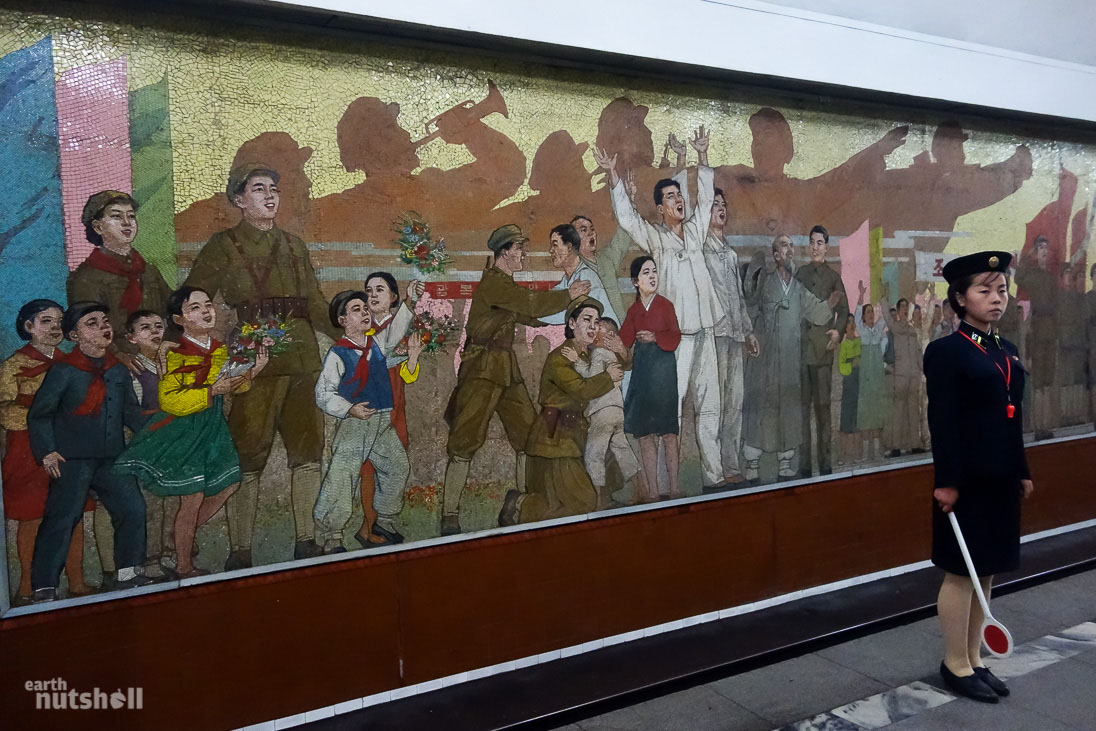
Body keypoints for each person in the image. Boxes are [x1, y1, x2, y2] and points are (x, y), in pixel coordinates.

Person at [185, 162, 339, 569]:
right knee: (248, 456)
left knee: (307, 452)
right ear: (239, 199)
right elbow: (192, 298)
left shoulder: (294, 246)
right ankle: (240, 549)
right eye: (258, 189)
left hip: (303, 359)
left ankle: (305, 540)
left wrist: (353, 337)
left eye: (274, 188)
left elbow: (317, 304)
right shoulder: (223, 246)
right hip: (252, 363)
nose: (269, 196)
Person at [926, 251, 1034, 703]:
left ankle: (975, 658)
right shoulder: (946, 352)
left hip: (1000, 478)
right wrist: (947, 481)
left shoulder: (1004, 351)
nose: (996, 299)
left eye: (1001, 290)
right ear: (959, 298)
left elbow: (1013, 418)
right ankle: (954, 663)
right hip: (965, 481)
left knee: (985, 567)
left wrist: (1022, 470)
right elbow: (943, 421)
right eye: (984, 290)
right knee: (960, 571)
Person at [596, 127, 730, 490]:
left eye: (678, 196)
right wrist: (612, 175)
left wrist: (702, 157)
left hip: (706, 330)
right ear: (661, 208)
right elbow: (627, 218)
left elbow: (702, 197)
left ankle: (714, 478)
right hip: (674, 340)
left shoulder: (697, 228)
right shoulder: (655, 236)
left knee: (710, 408)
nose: (678, 202)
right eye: (670, 198)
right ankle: (665, 487)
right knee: (671, 413)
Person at [440, 224, 587, 536]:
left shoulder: (505, 287)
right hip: (482, 369)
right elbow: (530, 305)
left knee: (526, 437)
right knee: (464, 442)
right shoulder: (495, 283)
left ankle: (522, 504)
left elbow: (531, 316)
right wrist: (568, 295)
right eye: (519, 248)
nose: (523, 254)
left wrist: (574, 309)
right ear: (504, 252)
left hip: (505, 368)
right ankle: (449, 516)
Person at [114, 287, 267, 577]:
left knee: (229, 483)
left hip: (212, 427)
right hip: (184, 427)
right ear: (180, 319)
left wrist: (255, 369)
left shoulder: (219, 348)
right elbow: (170, 399)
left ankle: (179, 537)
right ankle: (184, 565)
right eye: (194, 308)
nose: (206, 311)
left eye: (208, 305)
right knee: (193, 497)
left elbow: (234, 383)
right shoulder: (175, 353)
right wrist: (210, 391)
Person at [27, 302, 149, 601]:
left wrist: (158, 434)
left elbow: (131, 413)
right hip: (72, 459)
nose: (103, 327)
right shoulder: (64, 371)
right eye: (91, 323)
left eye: (105, 321)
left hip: (112, 456)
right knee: (63, 517)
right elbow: (40, 414)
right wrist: (47, 451)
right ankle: (44, 586)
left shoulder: (117, 371)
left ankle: (129, 572)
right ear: (74, 335)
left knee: (133, 509)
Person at [497, 297, 622, 525]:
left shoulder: (588, 355)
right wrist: (608, 377)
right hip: (555, 440)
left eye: (596, 321)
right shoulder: (560, 357)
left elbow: (623, 364)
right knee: (580, 505)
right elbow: (580, 390)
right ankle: (520, 502)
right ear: (572, 324)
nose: (593, 327)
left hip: (579, 434)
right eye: (586, 320)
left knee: (605, 489)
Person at [314, 291, 423, 552]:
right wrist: (350, 409)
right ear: (342, 320)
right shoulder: (339, 353)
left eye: (365, 308)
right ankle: (332, 536)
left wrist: (411, 350)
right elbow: (323, 393)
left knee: (397, 467)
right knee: (342, 476)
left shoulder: (376, 344)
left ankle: (384, 520)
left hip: (381, 419)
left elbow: (394, 334)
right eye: (356, 310)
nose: (364, 313)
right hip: (356, 423)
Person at [0, 300, 92, 603]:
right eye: (45, 321)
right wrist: (40, 416)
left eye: (58, 322)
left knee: (72, 514)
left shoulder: (74, 362)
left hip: (69, 445)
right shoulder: (13, 366)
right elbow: (5, 412)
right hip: (29, 448)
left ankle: (76, 581)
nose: (54, 328)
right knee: (33, 516)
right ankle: (27, 585)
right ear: (29, 327)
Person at [742, 235, 839, 483]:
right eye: (784, 246)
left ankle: (786, 460)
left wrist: (830, 304)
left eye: (791, 246)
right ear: (775, 256)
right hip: (765, 359)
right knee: (762, 408)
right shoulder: (765, 283)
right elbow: (750, 307)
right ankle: (752, 461)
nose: (790, 250)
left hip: (789, 361)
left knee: (788, 409)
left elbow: (816, 312)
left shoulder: (797, 288)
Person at [67, 191, 172, 374]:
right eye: (116, 216)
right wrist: (117, 355)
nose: (127, 222)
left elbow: (171, 309)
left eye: (131, 216)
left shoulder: (149, 271)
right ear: (98, 227)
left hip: (157, 356)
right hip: (113, 364)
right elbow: (87, 329)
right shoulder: (86, 277)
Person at [355, 272, 424, 547]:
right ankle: (367, 527)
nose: (372, 295)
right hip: (371, 404)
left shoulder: (403, 326)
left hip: (396, 400)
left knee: (395, 463)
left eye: (379, 290)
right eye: (368, 290)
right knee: (370, 468)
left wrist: (414, 356)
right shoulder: (362, 326)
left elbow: (409, 376)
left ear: (392, 297)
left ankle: (383, 523)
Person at [704, 189, 760, 486]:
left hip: (735, 337)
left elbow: (738, 298)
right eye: (715, 205)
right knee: (715, 404)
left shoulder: (730, 253)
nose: (721, 210)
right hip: (714, 337)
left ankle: (731, 464)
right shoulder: (700, 250)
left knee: (735, 403)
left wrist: (748, 332)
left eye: (724, 205)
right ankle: (713, 470)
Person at [122, 310, 178, 579]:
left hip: (175, 440)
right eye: (145, 328)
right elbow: (133, 410)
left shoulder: (173, 362)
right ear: (132, 338)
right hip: (148, 441)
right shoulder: (135, 370)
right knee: (153, 503)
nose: (155, 332)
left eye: (158, 326)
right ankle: (151, 558)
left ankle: (170, 552)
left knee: (174, 498)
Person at [619, 256, 682, 499]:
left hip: (665, 376)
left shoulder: (665, 305)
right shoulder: (634, 311)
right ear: (636, 281)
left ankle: (674, 488)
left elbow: (675, 337)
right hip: (643, 378)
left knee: (668, 433)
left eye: (654, 271)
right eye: (646, 272)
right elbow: (624, 341)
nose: (652, 276)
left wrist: (655, 338)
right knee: (645, 436)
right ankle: (654, 491)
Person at [571, 316, 641, 507]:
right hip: (617, 411)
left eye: (599, 327)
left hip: (602, 411)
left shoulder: (600, 353)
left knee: (594, 453)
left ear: (610, 335)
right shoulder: (613, 356)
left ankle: (599, 499)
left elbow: (592, 378)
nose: (594, 329)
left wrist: (577, 362)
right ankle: (639, 489)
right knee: (623, 450)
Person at [796, 224, 848, 477]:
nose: (815, 247)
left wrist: (838, 332)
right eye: (812, 242)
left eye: (820, 243)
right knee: (803, 411)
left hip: (824, 351)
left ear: (827, 247)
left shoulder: (833, 277)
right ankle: (805, 466)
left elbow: (845, 311)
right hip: (802, 352)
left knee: (823, 410)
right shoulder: (800, 274)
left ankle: (825, 465)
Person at [1014, 236, 1059, 439]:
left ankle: (1046, 426)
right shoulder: (1032, 274)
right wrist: (1029, 255)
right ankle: (1038, 427)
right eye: (1040, 248)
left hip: (1049, 331)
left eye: (1045, 248)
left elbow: (1056, 305)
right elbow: (1018, 277)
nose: (1043, 251)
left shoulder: (1050, 278)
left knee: (1047, 382)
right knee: (1039, 383)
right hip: (1038, 330)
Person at [540, 223, 619, 326]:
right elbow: (547, 305)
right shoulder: (566, 279)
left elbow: (567, 316)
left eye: (555, 245)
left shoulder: (586, 277)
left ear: (569, 247)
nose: (551, 250)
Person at [880, 287, 925, 457]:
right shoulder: (895, 327)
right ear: (898, 311)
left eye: (907, 307)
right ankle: (896, 446)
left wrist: (923, 369)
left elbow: (919, 352)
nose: (905, 310)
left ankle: (915, 444)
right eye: (903, 307)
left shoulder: (913, 330)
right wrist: (883, 298)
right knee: (898, 411)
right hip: (900, 376)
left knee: (914, 411)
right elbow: (886, 316)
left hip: (914, 375)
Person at [854, 282, 886, 461]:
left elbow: (885, 318)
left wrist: (883, 296)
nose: (871, 315)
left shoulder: (878, 330)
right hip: (866, 377)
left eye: (872, 312)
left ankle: (877, 449)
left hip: (877, 377)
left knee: (877, 411)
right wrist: (860, 295)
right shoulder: (863, 331)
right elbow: (857, 315)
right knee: (866, 412)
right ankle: (867, 452)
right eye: (868, 312)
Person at [837, 314, 862, 465]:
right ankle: (843, 455)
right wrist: (852, 363)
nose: (851, 325)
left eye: (853, 322)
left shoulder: (859, 342)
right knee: (846, 420)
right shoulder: (843, 345)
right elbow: (842, 366)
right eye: (848, 323)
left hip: (860, 383)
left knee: (857, 420)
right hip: (849, 384)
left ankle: (856, 455)